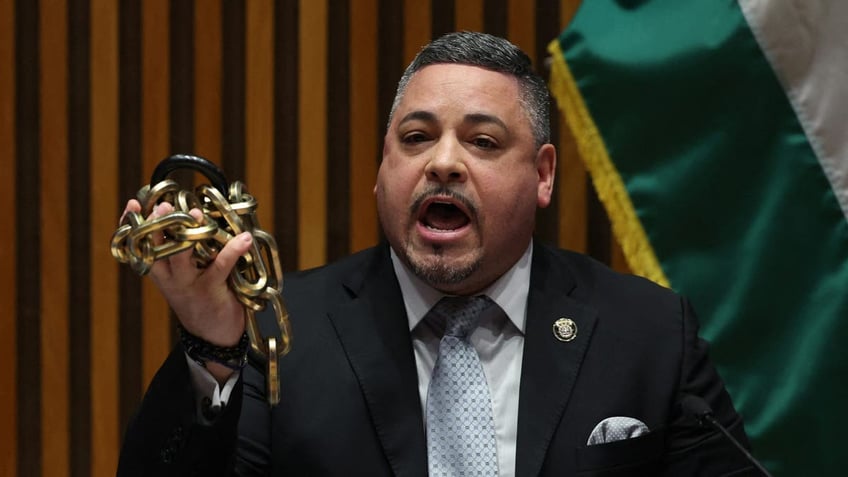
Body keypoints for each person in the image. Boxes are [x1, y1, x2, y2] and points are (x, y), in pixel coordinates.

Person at [117, 31, 756, 476]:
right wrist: (212, 351)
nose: (443, 163)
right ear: (381, 169)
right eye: (416, 137)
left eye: (481, 141)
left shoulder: (646, 333)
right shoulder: (280, 334)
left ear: (542, 175)